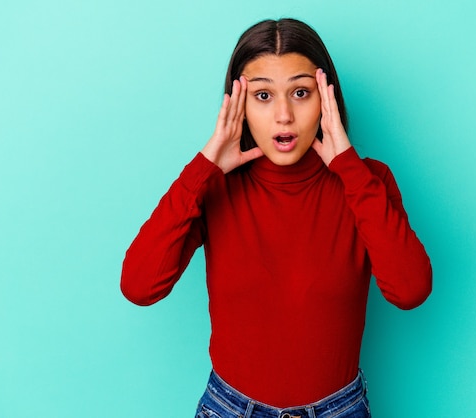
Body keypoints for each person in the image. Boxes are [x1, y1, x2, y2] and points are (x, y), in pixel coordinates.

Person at [121, 18, 432, 418]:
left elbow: (410, 290)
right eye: (263, 96)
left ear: (327, 100)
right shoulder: (215, 187)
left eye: (300, 93)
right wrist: (204, 167)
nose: (283, 115)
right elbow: (139, 286)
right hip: (229, 408)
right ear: (237, 107)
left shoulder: (368, 181)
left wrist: (350, 169)